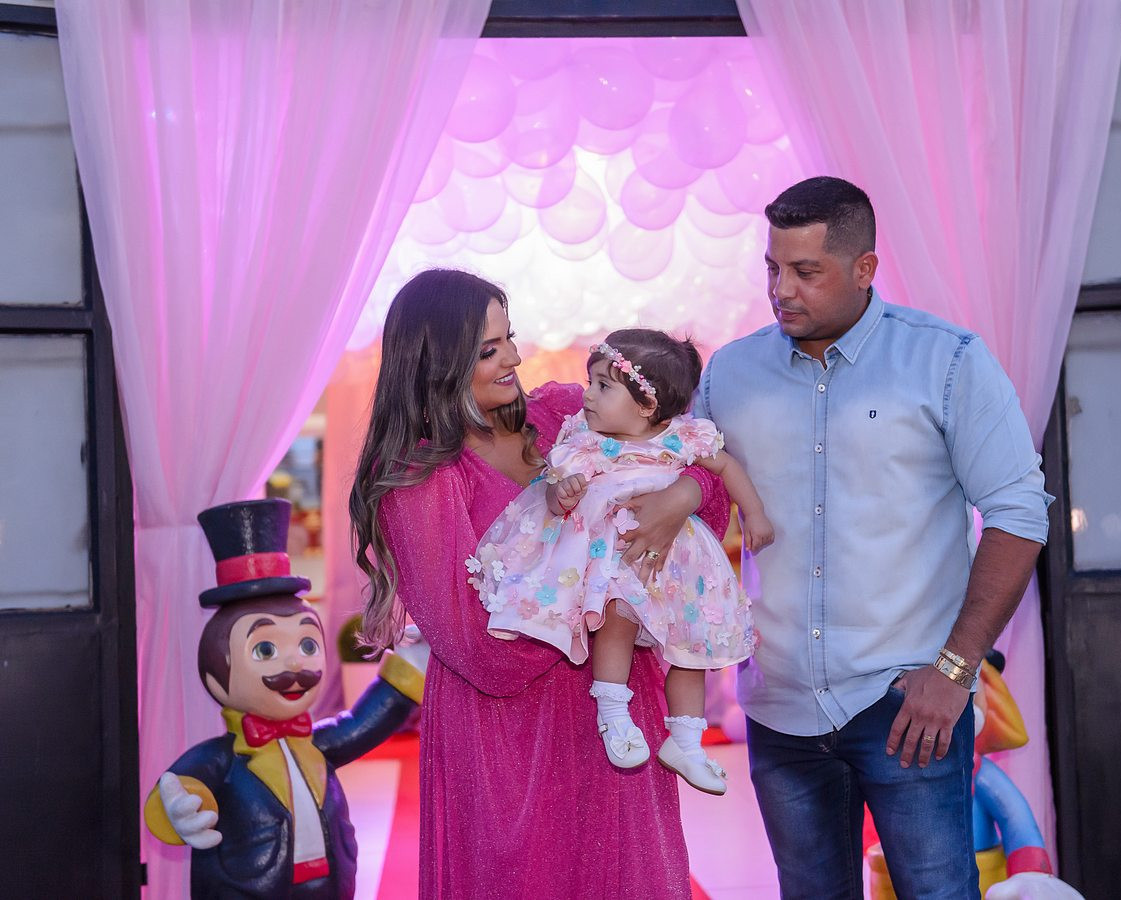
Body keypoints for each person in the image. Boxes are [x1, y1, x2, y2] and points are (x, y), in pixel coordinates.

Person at [693, 176, 1052, 900]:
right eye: (772, 267)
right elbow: (693, 497)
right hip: (779, 709)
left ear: (865, 269)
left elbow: (1019, 514)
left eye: (806, 271)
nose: (781, 290)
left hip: (910, 706)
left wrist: (954, 672)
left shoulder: (946, 361)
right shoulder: (731, 372)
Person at [349, 270, 732, 899]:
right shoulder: (419, 478)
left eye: (510, 337)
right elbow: (479, 648)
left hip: (618, 713)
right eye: (488, 349)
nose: (515, 358)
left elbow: (692, 477)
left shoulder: (564, 416)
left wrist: (681, 496)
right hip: (508, 740)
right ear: (437, 365)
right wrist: (602, 605)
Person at [471, 328, 773, 795]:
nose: (588, 395)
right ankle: (613, 713)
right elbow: (552, 488)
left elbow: (726, 467)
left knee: (689, 647)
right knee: (616, 617)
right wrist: (561, 493)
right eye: (589, 383)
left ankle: (686, 742)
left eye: (603, 386)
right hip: (617, 561)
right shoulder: (586, 440)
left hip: (680, 565)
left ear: (647, 405)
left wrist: (754, 513)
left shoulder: (684, 437)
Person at [143, 498, 424, 899]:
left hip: (330, 885)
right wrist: (181, 808)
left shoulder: (316, 744)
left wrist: (410, 665)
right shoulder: (221, 760)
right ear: (214, 675)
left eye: (307, 645)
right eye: (265, 649)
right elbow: (182, 785)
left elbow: (367, 722)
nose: (295, 664)